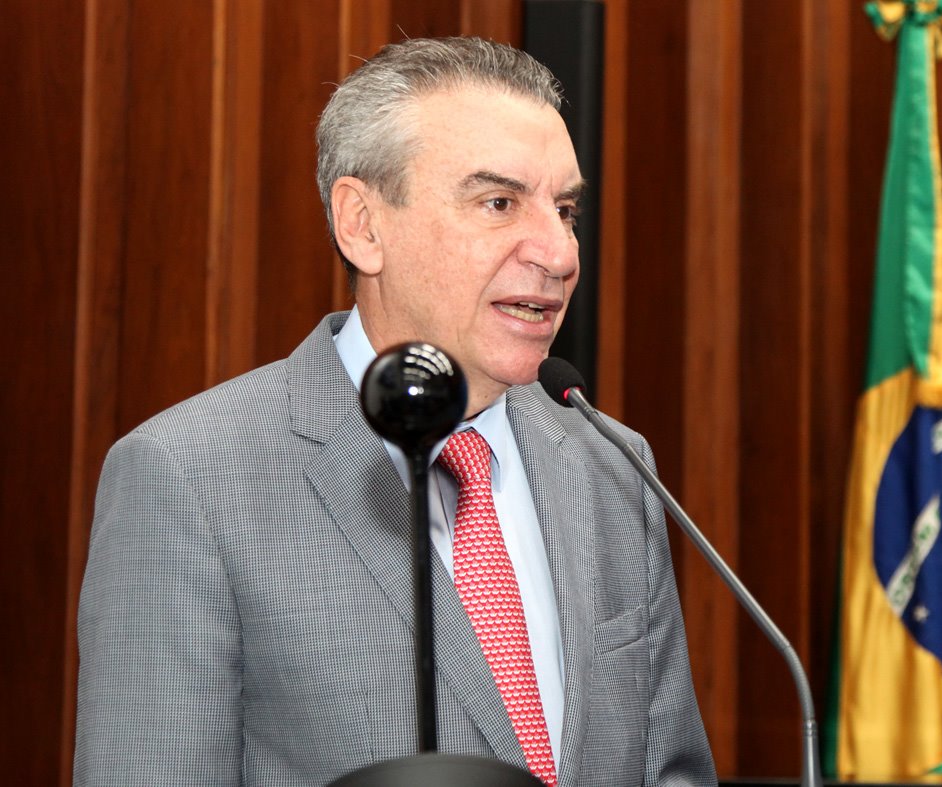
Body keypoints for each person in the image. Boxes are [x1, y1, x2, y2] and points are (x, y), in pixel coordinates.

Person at [73, 37, 714, 786]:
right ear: (363, 225)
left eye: (565, 209)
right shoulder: (190, 478)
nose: (560, 253)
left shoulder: (614, 463)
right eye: (500, 202)